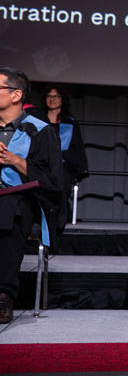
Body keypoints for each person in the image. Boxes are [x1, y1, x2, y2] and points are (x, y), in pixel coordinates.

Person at [0, 68, 62, 324]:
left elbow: (53, 182)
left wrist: (15, 160)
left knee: (8, 207)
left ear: (15, 95)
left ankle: (3, 294)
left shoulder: (40, 131)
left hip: (21, 199)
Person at [39, 85, 88, 232]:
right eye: (49, 96)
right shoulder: (38, 120)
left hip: (63, 166)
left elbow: (76, 148)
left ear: (62, 100)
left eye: (56, 96)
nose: (52, 99)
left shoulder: (69, 122)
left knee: (62, 182)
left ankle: (56, 228)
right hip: (41, 165)